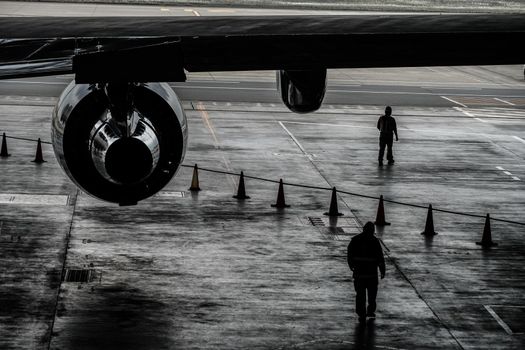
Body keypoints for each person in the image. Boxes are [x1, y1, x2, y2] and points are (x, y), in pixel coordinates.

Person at [347, 221, 386, 323]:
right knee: (372, 295)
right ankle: (370, 311)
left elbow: (349, 254)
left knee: (360, 295)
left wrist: (351, 265)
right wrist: (382, 270)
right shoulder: (374, 241)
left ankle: (361, 313)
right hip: (372, 275)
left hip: (359, 274)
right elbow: (380, 258)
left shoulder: (355, 240)